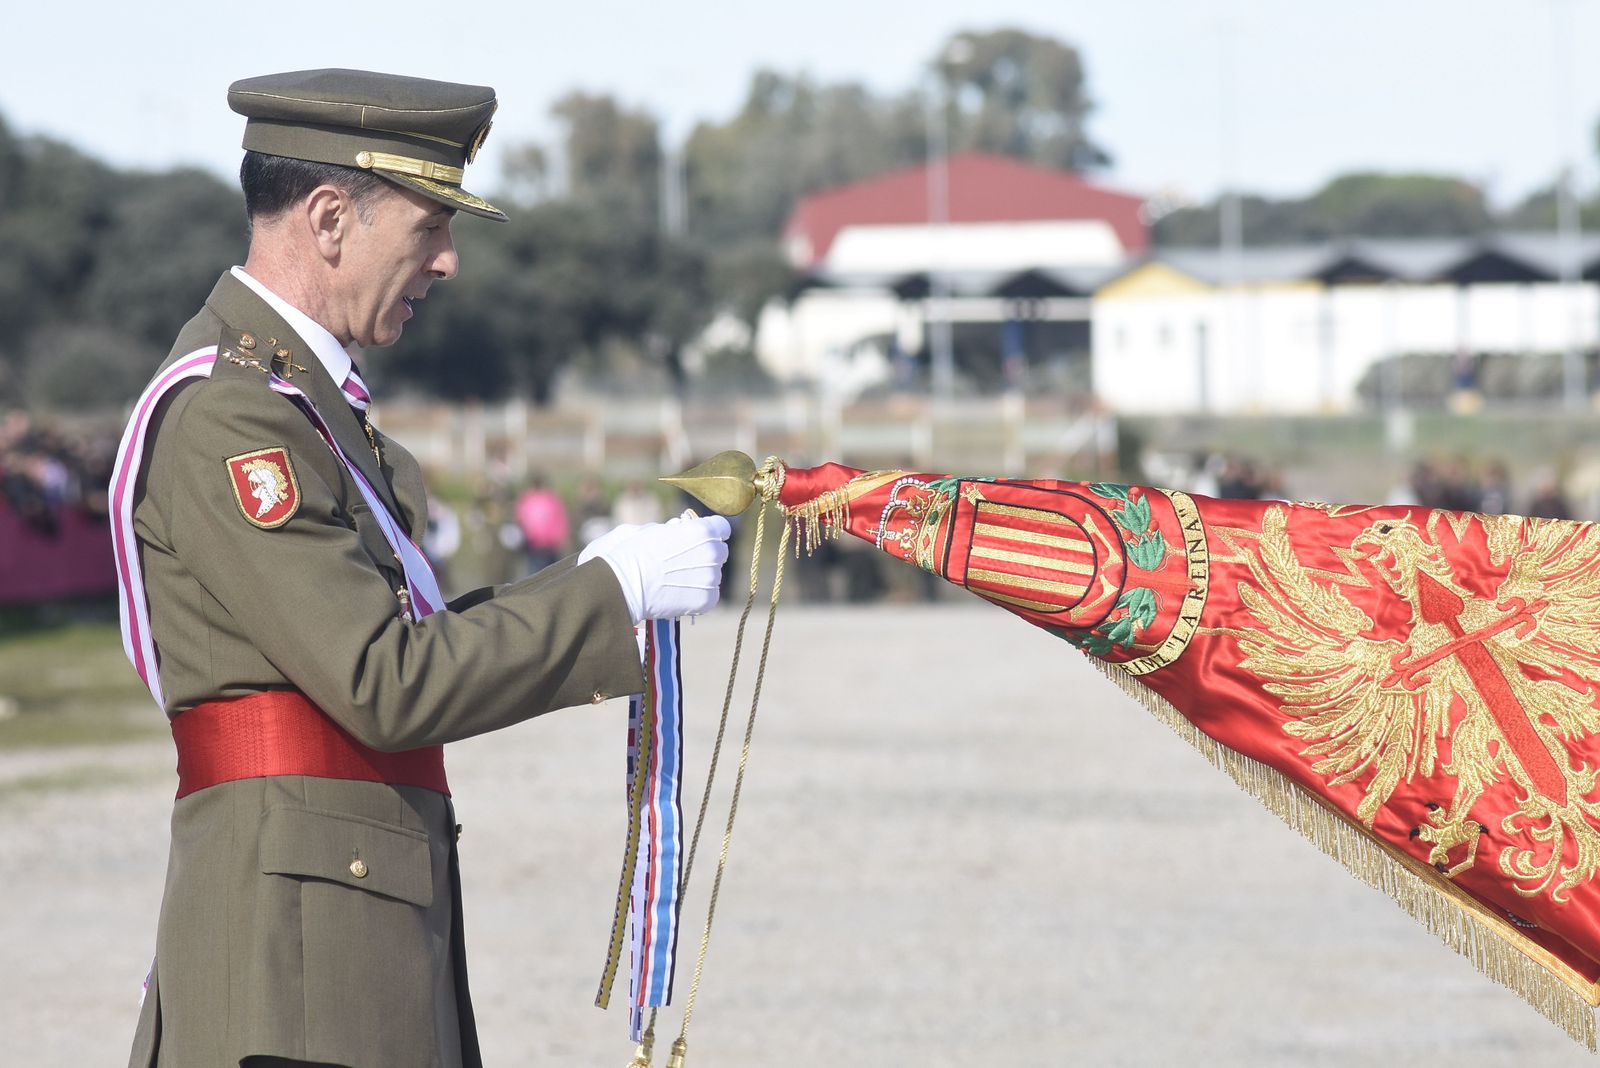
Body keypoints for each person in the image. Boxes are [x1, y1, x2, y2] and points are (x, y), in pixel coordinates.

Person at [109, 68, 731, 1068]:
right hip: (295, 950)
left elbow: (400, 647)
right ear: (327, 219)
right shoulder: (235, 418)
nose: (447, 262)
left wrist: (593, 578)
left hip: (333, 917)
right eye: (428, 227)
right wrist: (609, 595)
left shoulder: (295, 403)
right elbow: (384, 681)